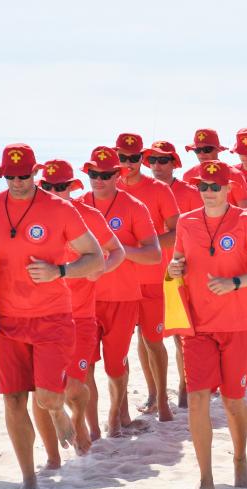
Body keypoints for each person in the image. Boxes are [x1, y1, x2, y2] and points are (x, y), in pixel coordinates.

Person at [0, 144, 104, 489]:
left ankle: (59, 411)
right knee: (13, 400)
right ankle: (29, 478)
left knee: (46, 397)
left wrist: (60, 270)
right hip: (5, 319)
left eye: (23, 175)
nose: (17, 182)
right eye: (10, 176)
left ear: (35, 173)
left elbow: (96, 258)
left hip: (52, 318)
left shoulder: (60, 210)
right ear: (3, 175)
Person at [170, 160, 247, 489]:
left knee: (234, 400)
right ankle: (205, 476)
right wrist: (175, 267)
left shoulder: (246, 221)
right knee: (197, 399)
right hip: (197, 325)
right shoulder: (186, 223)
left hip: (238, 324)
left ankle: (239, 458)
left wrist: (236, 282)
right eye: (203, 186)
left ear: (228, 188)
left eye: (215, 186)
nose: (208, 192)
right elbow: (178, 262)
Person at [33, 160, 125, 466]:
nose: (55, 192)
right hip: (40, 317)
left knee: (76, 384)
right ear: (40, 186)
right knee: (40, 389)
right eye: (48, 186)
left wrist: (101, 270)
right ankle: (52, 458)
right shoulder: (31, 217)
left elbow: (117, 251)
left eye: (62, 187)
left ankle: (84, 422)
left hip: (81, 316)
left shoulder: (88, 216)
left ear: (73, 187)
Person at [79, 146, 161, 438]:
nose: (97, 180)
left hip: (123, 298)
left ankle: (117, 416)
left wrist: (120, 250)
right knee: (84, 367)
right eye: (92, 174)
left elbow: (154, 254)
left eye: (104, 175)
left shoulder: (134, 207)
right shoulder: (76, 206)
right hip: (84, 300)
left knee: (116, 366)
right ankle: (92, 428)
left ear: (118, 175)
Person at [118, 136, 181, 421]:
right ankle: (128, 404)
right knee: (124, 344)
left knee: (153, 340)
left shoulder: (158, 189)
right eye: (123, 157)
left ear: (142, 158)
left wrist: (146, 244)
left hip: (154, 276)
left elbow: (176, 232)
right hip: (118, 280)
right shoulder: (110, 188)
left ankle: (161, 398)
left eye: (134, 158)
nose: (128, 164)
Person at [183, 128, 247, 208]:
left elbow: (246, 210)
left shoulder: (235, 175)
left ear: (217, 150)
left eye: (207, 149)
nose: (201, 154)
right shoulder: (188, 176)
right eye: (197, 150)